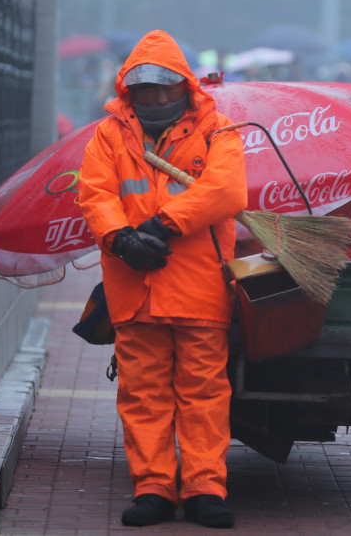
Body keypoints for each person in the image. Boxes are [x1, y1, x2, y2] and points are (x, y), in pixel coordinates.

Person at [78, 30, 247, 529]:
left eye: (164, 89)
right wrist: (122, 239)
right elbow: (95, 194)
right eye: (145, 90)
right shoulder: (109, 135)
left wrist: (159, 227)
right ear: (130, 91)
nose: (156, 98)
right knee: (143, 393)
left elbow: (225, 189)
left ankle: (203, 489)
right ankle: (152, 486)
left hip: (196, 287)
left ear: (185, 87)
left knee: (203, 394)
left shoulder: (219, 130)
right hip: (136, 287)